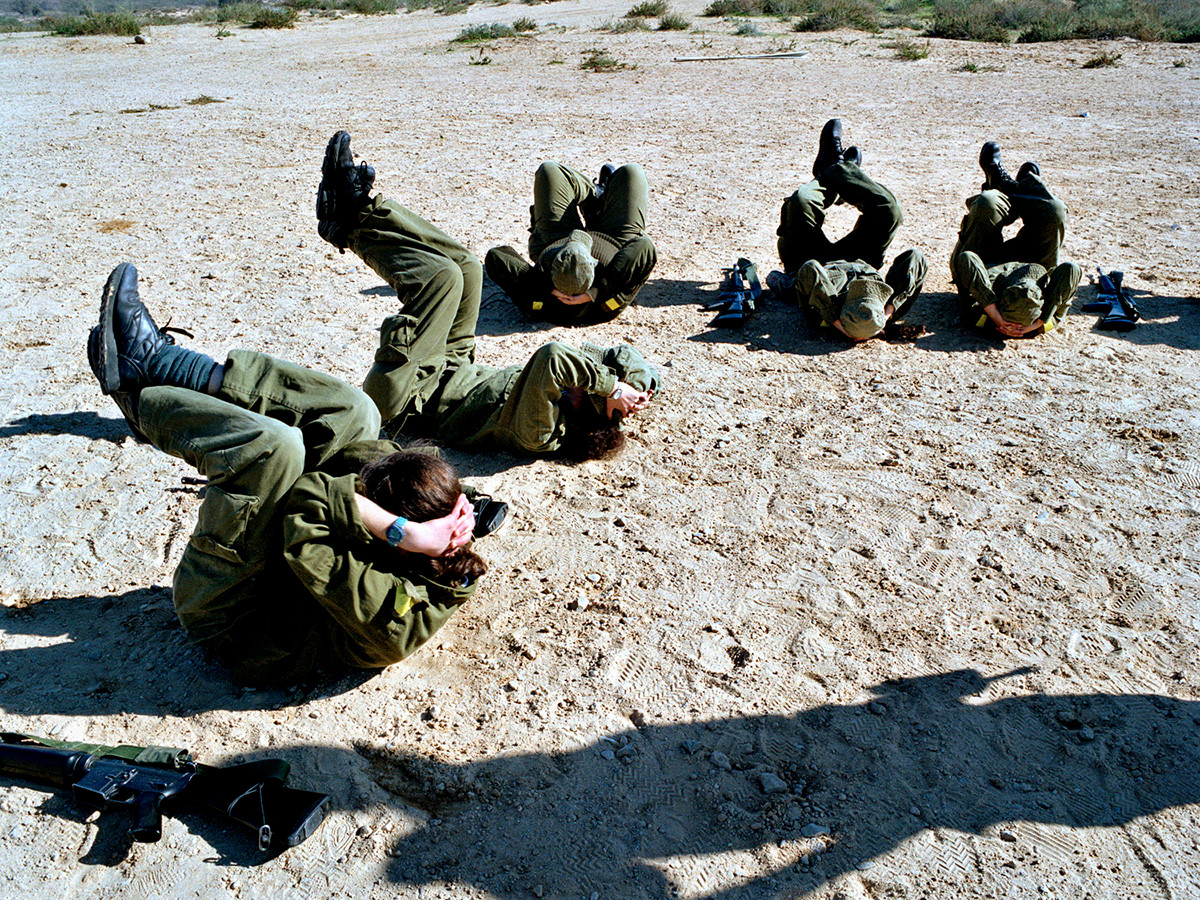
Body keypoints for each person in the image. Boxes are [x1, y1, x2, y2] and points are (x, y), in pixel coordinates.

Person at [86, 262, 486, 686]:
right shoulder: (445, 549)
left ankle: (139, 406)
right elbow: (379, 466)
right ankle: (160, 363)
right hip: (299, 566)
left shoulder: (385, 613)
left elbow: (308, 506)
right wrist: (452, 504)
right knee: (356, 413)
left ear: (403, 544)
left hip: (237, 609)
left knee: (273, 449)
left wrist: (402, 530)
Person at [316, 132, 658, 460]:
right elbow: (622, 355)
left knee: (442, 279)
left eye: (585, 392)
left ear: (588, 417)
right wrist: (636, 386)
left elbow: (553, 357)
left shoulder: (540, 432)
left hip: (407, 395)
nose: (578, 386)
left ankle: (350, 223)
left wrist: (611, 387)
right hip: (451, 363)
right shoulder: (579, 394)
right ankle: (364, 209)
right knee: (466, 267)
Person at [774, 119, 927, 342]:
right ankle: (844, 172)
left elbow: (811, 270)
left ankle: (833, 170)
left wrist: (836, 320)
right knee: (890, 211)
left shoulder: (824, 315)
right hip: (862, 258)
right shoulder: (875, 314)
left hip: (814, 258)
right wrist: (885, 315)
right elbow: (916, 260)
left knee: (802, 201)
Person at [483, 161, 657, 325]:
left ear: (552, 273)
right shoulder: (608, 304)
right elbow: (644, 247)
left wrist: (544, 286)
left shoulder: (540, 301)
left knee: (550, 171)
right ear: (594, 268)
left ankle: (593, 195)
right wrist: (597, 290)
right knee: (631, 173)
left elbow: (496, 256)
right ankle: (600, 202)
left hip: (554, 237)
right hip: (614, 238)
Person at [951, 141, 1081, 338]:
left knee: (988, 203)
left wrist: (994, 314)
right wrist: (1042, 320)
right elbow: (1072, 270)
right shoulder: (1038, 321)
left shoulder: (981, 315)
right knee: (1055, 212)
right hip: (1034, 263)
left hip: (984, 263)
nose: (1026, 290)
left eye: (1017, 292)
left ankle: (1005, 187)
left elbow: (968, 260)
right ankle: (1021, 188)